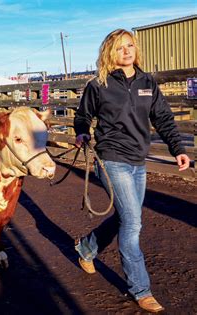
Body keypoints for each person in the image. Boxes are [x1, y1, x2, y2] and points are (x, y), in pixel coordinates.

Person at [73, 29, 190, 313]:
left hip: (138, 160)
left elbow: (162, 117)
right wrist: (81, 133)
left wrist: (178, 149)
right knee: (134, 223)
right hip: (111, 158)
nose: (126, 51)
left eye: (130, 46)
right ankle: (140, 289)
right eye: (120, 47)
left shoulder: (147, 82)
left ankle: (87, 248)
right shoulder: (98, 84)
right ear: (110, 53)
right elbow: (83, 115)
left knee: (126, 218)